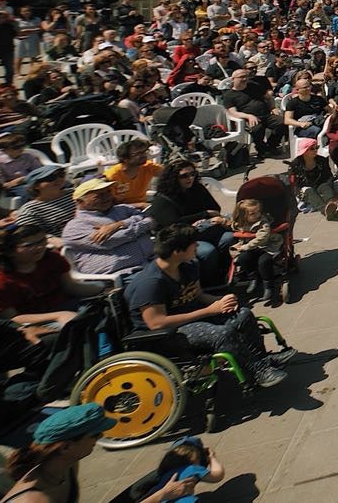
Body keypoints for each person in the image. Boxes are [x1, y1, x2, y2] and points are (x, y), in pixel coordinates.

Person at [123, 224, 295, 390]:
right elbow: (156, 323)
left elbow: (197, 295)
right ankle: (258, 371)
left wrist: (221, 300)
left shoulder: (188, 266)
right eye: (193, 244)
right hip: (165, 335)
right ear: (177, 252)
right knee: (222, 333)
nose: (197, 246)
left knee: (243, 314)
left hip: (192, 317)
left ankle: (262, 360)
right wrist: (210, 310)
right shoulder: (150, 283)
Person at [1, 402, 205, 503]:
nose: (99, 439)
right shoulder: (33, 500)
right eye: (96, 435)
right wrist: (162, 495)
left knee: (184, 458)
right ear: (65, 446)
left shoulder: (67, 461)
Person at [0, 224, 104, 329]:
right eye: (29, 245)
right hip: (32, 324)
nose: (40, 247)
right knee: (80, 325)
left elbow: (71, 287)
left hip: (65, 306)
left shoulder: (52, 259)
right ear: (8, 251)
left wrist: (104, 291)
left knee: (108, 309)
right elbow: (13, 319)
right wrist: (58, 316)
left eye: (42, 240)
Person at [147, 161, 233, 285]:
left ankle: (225, 272)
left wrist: (204, 218)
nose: (190, 178)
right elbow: (173, 224)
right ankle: (211, 282)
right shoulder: (163, 199)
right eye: (184, 176)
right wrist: (203, 215)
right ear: (173, 177)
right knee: (207, 251)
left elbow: (215, 209)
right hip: (182, 238)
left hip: (205, 230)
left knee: (229, 238)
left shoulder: (197, 188)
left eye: (193, 174)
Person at [61, 177, 156, 276]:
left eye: (108, 192)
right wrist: (145, 224)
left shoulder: (122, 209)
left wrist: (119, 224)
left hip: (151, 261)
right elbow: (112, 240)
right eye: (100, 195)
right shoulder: (75, 226)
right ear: (81, 202)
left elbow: (147, 217)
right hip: (122, 273)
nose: (107, 197)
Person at [229, 198, 284, 306]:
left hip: (268, 246)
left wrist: (246, 246)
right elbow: (232, 225)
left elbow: (262, 238)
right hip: (251, 247)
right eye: (252, 213)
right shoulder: (240, 223)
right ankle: (253, 277)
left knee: (264, 261)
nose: (257, 214)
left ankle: (268, 285)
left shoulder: (263, 222)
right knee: (243, 258)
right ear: (243, 215)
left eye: (258, 211)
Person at [287, 137, 338, 218]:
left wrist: (327, 186)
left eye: (316, 147)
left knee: (325, 187)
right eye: (312, 149)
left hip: (319, 185)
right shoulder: (295, 165)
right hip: (303, 190)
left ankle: (333, 205)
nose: (315, 150)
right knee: (308, 190)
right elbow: (294, 185)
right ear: (304, 151)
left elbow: (328, 177)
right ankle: (325, 210)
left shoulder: (322, 160)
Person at [103, 138, 162, 205]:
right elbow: (108, 204)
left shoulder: (148, 167)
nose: (143, 155)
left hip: (143, 206)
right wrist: (139, 205)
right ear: (125, 159)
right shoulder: (111, 177)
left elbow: (168, 175)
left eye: (144, 151)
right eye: (138, 154)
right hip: (119, 210)